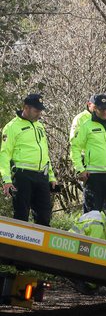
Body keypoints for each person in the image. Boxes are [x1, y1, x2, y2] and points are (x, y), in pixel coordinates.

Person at [0, 94, 57, 225]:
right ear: (26, 108)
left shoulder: (39, 126)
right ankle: (18, 245)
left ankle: (39, 246)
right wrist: (6, 179)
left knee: (44, 216)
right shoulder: (12, 127)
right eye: (36, 111)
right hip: (22, 176)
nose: (39, 114)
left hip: (41, 176)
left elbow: (44, 153)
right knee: (21, 216)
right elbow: (4, 154)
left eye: (40, 111)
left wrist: (51, 176)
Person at [70, 94, 106, 213]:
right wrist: (80, 169)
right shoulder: (87, 125)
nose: (105, 112)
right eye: (102, 109)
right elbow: (75, 147)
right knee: (92, 214)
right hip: (94, 176)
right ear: (95, 108)